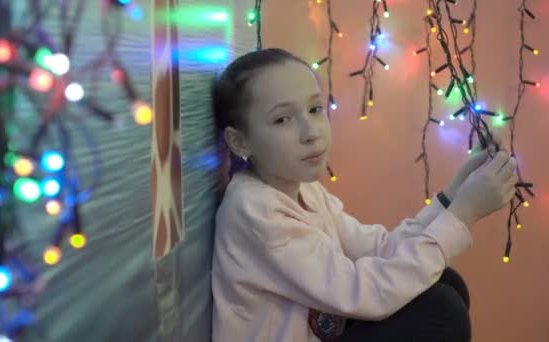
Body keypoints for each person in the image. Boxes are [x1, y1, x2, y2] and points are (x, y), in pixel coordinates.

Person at [211, 48, 518, 342]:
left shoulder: (304, 190)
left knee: (443, 283)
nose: (311, 132)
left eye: (315, 109)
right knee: (440, 312)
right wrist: (462, 216)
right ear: (239, 142)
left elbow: (380, 249)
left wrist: (456, 193)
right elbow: (361, 291)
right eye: (282, 119)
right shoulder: (254, 210)